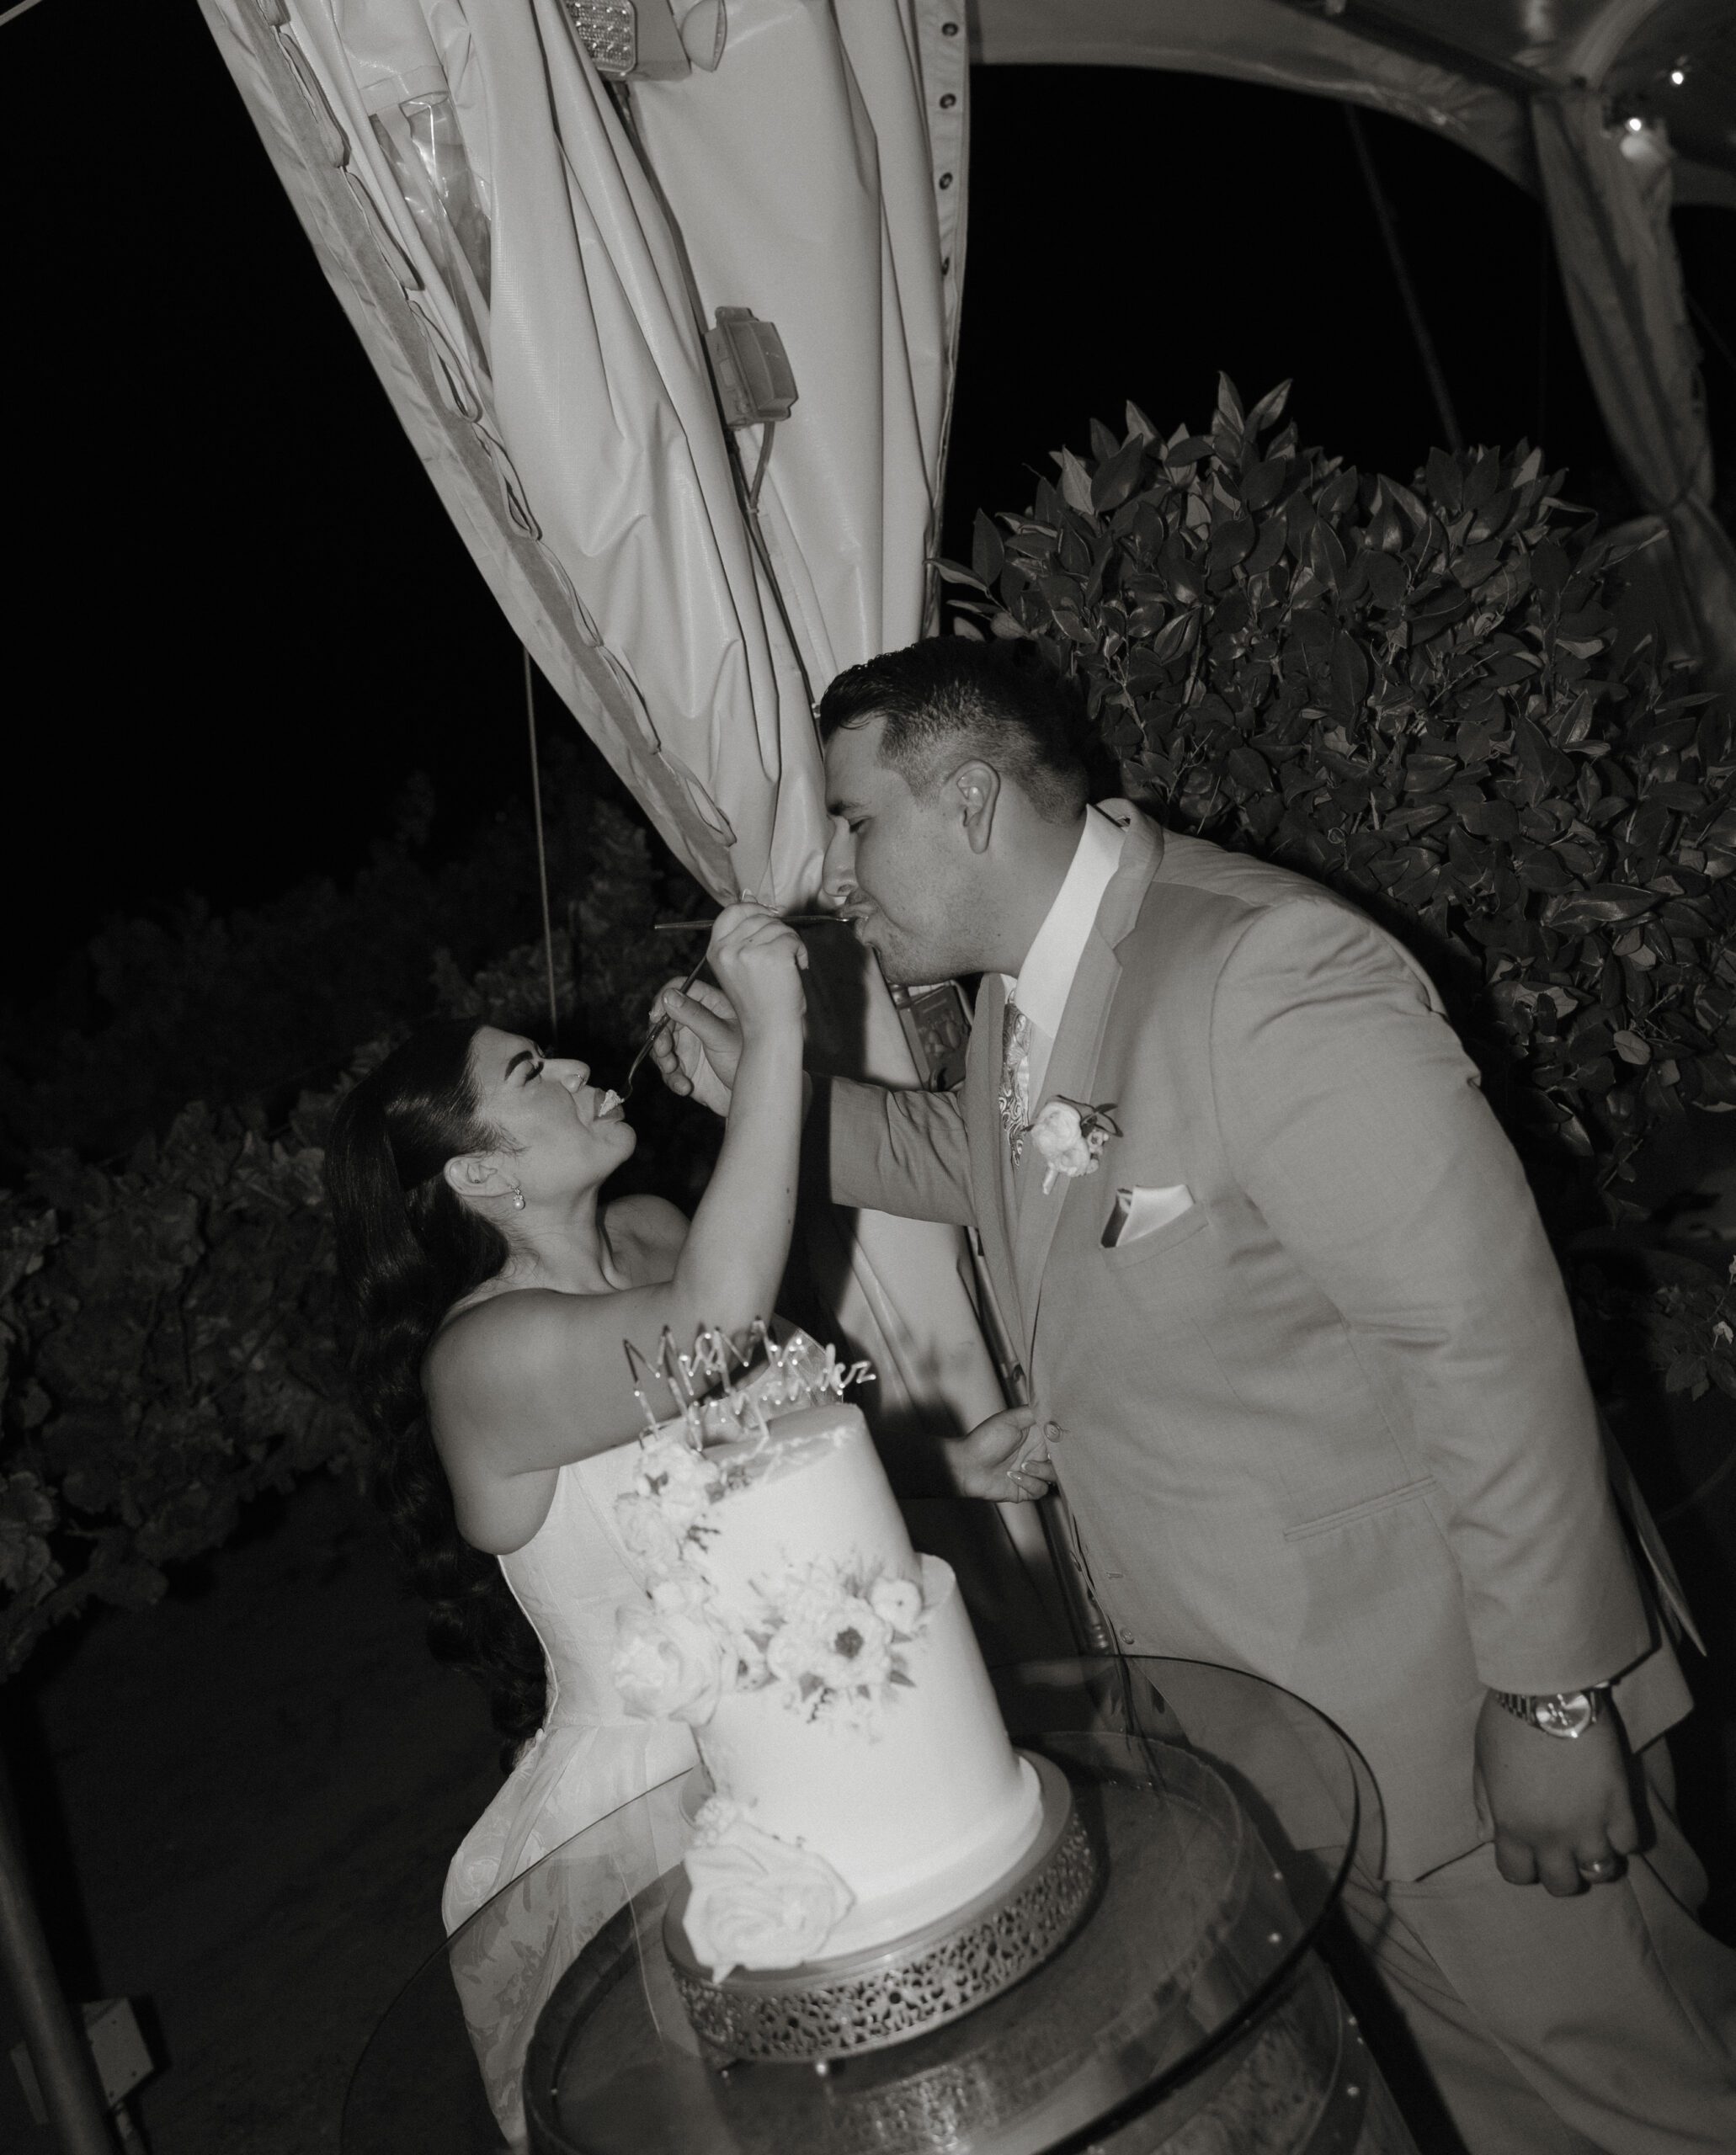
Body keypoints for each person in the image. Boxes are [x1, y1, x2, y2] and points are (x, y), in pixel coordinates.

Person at [652, 638, 1736, 2153]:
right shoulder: (1026, 1006)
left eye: (856, 821)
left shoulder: (1260, 970)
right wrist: (760, 1090)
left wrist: (1551, 1694)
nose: (836, 874)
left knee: (1658, 2103)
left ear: (971, 800)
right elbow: (986, 1176)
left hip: (1459, 1724)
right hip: (1278, 1731)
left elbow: (1485, 1338)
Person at [324, 901, 809, 1941]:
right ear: (480, 1174)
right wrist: (777, 1039)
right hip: (659, 1800)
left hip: (810, 1686)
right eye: (532, 1073)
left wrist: (951, 1462)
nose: (583, 1070)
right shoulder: (479, 1358)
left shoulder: (655, 1229)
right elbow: (709, 1334)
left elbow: (776, 1414)